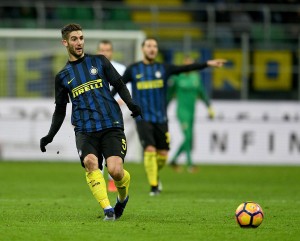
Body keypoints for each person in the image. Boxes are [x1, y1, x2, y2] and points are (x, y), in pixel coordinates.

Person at [39, 23, 142, 221]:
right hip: (85, 129)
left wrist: (131, 104)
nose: (79, 43)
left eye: (81, 38)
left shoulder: (100, 61)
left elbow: (119, 84)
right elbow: (60, 110)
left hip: (111, 123)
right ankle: (108, 210)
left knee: (115, 171)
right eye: (74, 39)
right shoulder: (62, 76)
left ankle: (123, 197)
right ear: (65, 42)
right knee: (90, 162)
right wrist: (49, 136)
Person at [112, 37, 226, 196]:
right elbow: (119, 84)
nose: (152, 49)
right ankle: (154, 186)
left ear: (156, 50)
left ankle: (153, 173)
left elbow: (185, 68)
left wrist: (207, 64)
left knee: (163, 155)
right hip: (142, 118)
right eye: (149, 46)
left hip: (161, 118)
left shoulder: (164, 68)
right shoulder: (134, 69)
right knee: (150, 150)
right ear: (143, 49)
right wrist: (108, 100)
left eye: (154, 46)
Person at [167, 55, 215, 173]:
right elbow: (169, 95)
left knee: (189, 138)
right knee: (188, 137)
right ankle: (190, 163)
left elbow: (202, 93)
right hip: (182, 111)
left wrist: (209, 107)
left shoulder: (196, 78)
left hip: (192, 112)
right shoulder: (177, 78)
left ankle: (173, 160)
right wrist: (164, 108)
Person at [97, 39, 127, 192]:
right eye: (102, 50)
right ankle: (99, 180)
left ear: (112, 52)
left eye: (107, 50)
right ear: (98, 51)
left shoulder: (121, 69)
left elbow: (128, 90)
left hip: (115, 115)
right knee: (97, 148)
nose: (105, 53)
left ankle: (112, 179)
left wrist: (119, 102)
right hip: (97, 115)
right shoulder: (91, 68)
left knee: (113, 148)